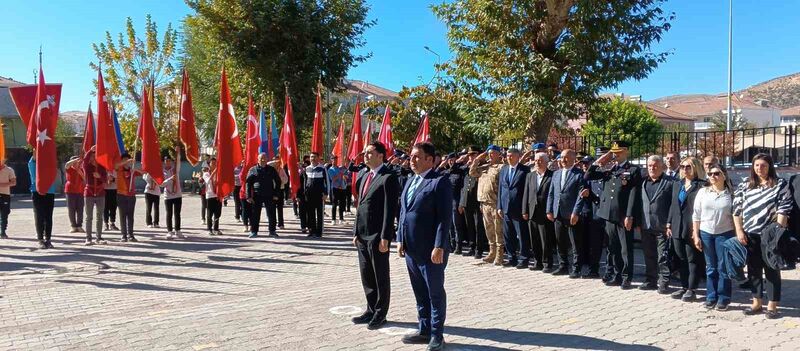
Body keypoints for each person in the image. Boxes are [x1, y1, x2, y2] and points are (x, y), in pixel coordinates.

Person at [397, 142, 451, 351]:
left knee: (434, 293)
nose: (412, 160)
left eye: (417, 157)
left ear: (430, 159)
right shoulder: (411, 181)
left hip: (431, 251)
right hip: (411, 249)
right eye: (412, 156)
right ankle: (424, 329)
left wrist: (439, 246)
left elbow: (444, 218)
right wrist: (400, 239)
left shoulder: (439, 182)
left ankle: (437, 335)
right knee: (419, 292)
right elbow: (403, 212)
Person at [734, 154, 792, 319]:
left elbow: (784, 207)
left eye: (764, 165)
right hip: (750, 234)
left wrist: (777, 233)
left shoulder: (780, 184)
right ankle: (757, 303)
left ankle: (772, 305)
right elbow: (736, 209)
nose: (760, 169)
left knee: (772, 269)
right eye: (757, 165)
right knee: (753, 270)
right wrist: (739, 230)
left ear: (770, 166)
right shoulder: (745, 184)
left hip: (770, 235)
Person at [351, 141, 399, 330]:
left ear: (381, 155)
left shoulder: (388, 177)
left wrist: (386, 236)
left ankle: (381, 313)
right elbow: (360, 206)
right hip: (362, 235)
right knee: (367, 275)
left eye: (370, 152)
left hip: (378, 236)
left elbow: (390, 209)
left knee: (380, 276)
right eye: (365, 152)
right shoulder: (364, 175)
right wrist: (355, 232)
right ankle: (370, 308)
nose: (365, 155)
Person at [585, 140, 642, 289]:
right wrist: (603, 158)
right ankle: (616, 275)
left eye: (618, 152)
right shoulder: (609, 169)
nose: (615, 155)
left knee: (625, 248)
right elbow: (588, 175)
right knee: (613, 247)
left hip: (623, 215)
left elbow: (633, 194)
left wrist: (629, 215)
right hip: (608, 214)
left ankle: (626, 277)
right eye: (614, 152)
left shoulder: (633, 170)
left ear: (626, 152)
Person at [693, 164, 735, 310]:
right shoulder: (703, 192)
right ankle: (711, 296)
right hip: (706, 233)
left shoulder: (731, 194)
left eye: (716, 173)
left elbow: (736, 216)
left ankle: (723, 297)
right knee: (711, 267)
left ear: (724, 175)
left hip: (725, 233)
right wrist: (695, 234)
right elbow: (696, 215)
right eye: (710, 174)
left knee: (723, 267)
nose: (712, 176)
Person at [666, 157, 705, 301]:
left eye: (688, 167)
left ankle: (692, 288)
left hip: (692, 227)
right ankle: (683, 286)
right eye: (682, 166)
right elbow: (672, 205)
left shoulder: (702, 185)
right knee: (680, 258)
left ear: (695, 168)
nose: (684, 169)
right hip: (677, 226)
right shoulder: (678, 184)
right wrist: (669, 223)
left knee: (692, 259)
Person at [546, 149, 587, 277]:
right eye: (562, 157)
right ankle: (563, 265)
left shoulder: (579, 174)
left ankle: (576, 268)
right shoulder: (556, 174)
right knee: (560, 241)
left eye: (566, 157)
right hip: (558, 213)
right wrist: (549, 210)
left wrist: (575, 212)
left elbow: (581, 196)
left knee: (575, 243)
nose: (563, 160)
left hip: (571, 215)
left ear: (573, 159)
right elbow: (551, 193)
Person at [639, 155, 674, 292]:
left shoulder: (670, 182)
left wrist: (669, 222)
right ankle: (650, 281)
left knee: (662, 256)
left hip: (662, 226)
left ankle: (664, 281)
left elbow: (673, 205)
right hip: (646, 225)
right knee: (648, 254)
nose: (652, 168)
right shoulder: (643, 182)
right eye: (649, 166)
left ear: (662, 167)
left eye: (655, 165)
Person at [469, 146, 504, 265]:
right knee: (489, 229)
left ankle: (500, 254)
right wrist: (478, 159)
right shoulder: (484, 168)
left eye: (493, 153)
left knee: (498, 230)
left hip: (495, 203)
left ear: (499, 155)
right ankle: (492, 252)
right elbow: (472, 172)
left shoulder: (501, 167)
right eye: (489, 153)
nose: (490, 156)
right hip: (484, 203)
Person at [497, 148, 530, 268]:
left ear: (518, 157)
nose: (509, 158)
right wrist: (499, 206)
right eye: (507, 156)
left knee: (522, 235)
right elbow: (501, 188)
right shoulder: (504, 169)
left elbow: (527, 191)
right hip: (506, 208)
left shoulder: (525, 170)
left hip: (519, 209)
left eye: (512, 156)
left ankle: (524, 259)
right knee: (508, 235)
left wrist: (525, 209)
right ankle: (511, 258)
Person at [523, 151, 554, 271]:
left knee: (545, 240)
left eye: (540, 160)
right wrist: (524, 210)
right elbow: (526, 193)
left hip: (545, 212)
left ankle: (547, 263)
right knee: (534, 239)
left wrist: (551, 211)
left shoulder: (552, 175)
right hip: (532, 212)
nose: (537, 162)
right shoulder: (530, 176)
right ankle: (538, 262)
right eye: (536, 160)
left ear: (546, 162)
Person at [457, 146, 485, 258]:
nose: (471, 157)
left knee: (478, 226)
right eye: (469, 155)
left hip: (477, 201)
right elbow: (464, 186)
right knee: (470, 226)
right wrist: (461, 202)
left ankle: (479, 249)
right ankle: (472, 247)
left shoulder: (483, 167)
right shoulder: (466, 168)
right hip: (467, 201)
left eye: (474, 154)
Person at [246, 153, 281, 238]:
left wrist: (276, 194)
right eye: (261, 158)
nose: (263, 160)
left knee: (271, 213)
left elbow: (278, 181)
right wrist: (248, 196)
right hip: (257, 195)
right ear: (258, 159)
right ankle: (254, 231)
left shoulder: (271, 169)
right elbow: (248, 183)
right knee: (255, 214)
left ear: (267, 159)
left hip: (270, 195)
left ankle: (272, 231)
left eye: (265, 158)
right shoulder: (252, 169)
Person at [116, 153, 144, 242]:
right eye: (124, 160)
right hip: (121, 195)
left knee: (130, 216)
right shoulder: (119, 169)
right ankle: (123, 235)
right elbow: (115, 165)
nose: (126, 162)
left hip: (131, 196)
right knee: (122, 215)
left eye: (127, 160)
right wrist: (126, 161)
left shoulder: (132, 171)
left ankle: (131, 235)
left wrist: (134, 169)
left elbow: (144, 173)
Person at [83, 149, 108, 245]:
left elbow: (105, 180)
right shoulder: (87, 167)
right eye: (92, 156)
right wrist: (90, 150)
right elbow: (84, 160)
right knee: (89, 217)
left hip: (100, 193)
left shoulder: (102, 167)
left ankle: (99, 237)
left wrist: (99, 177)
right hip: (89, 193)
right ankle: (88, 238)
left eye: (95, 156)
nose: (93, 158)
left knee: (99, 216)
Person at [304, 152, 329, 238]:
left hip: (319, 194)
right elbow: (305, 182)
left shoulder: (322, 168)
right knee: (310, 213)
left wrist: (326, 193)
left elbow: (327, 182)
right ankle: (312, 231)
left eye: (314, 157)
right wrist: (305, 192)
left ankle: (319, 232)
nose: (313, 159)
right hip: (309, 194)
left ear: (318, 158)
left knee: (319, 213)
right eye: (311, 157)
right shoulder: (307, 168)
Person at [163, 146, 184, 239]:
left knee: (177, 213)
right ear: (164, 162)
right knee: (169, 213)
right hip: (168, 196)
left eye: (169, 161)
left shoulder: (175, 169)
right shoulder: (162, 172)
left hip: (177, 195)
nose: (168, 162)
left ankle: (178, 230)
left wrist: (178, 153)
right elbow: (161, 184)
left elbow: (178, 162)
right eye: (166, 161)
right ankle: (169, 231)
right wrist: (170, 179)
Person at [64, 156, 85, 233]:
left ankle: (79, 225)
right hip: (70, 191)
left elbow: (85, 179)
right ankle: (73, 225)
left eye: (77, 162)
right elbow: (66, 165)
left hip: (80, 191)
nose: (77, 163)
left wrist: (80, 172)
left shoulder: (81, 169)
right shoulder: (69, 169)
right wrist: (74, 160)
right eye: (75, 162)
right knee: (71, 209)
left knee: (80, 209)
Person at [204, 158, 222, 235]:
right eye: (212, 163)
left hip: (218, 195)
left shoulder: (219, 173)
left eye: (215, 163)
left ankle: (216, 228)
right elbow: (208, 181)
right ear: (209, 164)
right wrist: (214, 172)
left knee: (217, 213)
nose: (214, 164)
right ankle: (209, 229)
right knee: (210, 213)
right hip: (210, 195)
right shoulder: (206, 173)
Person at [328, 156, 348, 225]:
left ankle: (341, 219)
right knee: (334, 204)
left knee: (341, 204)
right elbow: (333, 179)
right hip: (335, 188)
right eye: (334, 160)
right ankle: (333, 219)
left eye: (336, 160)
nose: (335, 162)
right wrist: (339, 174)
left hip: (342, 188)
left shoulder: (340, 168)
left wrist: (344, 176)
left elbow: (345, 177)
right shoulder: (330, 170)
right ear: (331, 161)